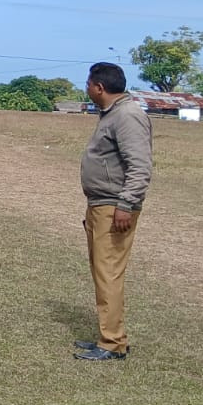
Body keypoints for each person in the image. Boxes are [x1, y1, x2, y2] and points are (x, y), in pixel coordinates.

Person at [74, 62, 153, 362]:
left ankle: (112, 342)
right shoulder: (113, 114)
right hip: (100, 204)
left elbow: (140, 167)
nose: (87, 88)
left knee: (108, 273)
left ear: (99, 87)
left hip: (115, 206)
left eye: (88, 83)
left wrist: (126, 205)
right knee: (102, 271)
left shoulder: (129, 116)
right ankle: (111, 336)